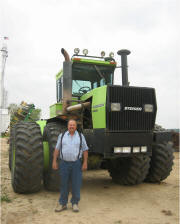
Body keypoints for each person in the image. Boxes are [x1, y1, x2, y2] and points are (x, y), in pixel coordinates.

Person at [52, 119, 88, 212]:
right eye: (70, 125)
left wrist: (85, 162)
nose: (71, 126)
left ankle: (75, 203)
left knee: (76, 184)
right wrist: (54, 161)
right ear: (67, 126)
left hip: (76, 164)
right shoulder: (62, 135)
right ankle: (63, 204)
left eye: (73, 125)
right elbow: (57, 149)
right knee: (64, 184)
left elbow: (85, 150)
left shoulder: (80, 136)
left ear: (76, 126)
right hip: (64, 163)